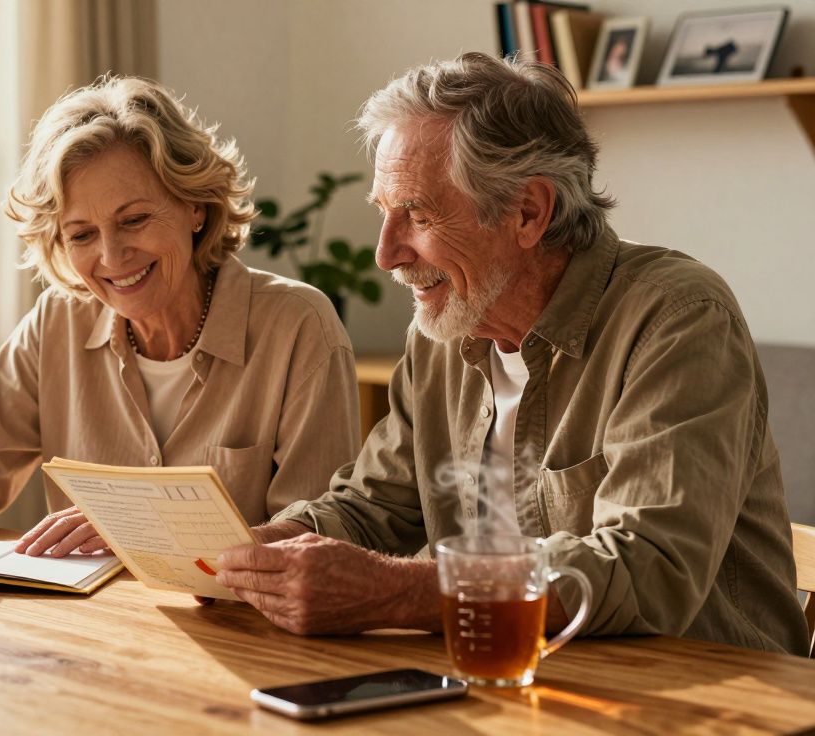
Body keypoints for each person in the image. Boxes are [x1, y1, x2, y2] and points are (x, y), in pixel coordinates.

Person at [214, 52, 809, 656]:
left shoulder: (676, 319)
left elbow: (649, 568)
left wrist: (396, 590)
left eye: (416, 215)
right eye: (383, 214)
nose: (385, 254)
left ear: (529, 212)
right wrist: (261, 548)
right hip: (513, 684)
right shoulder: (443, 329)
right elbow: (376, 505)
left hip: (707, 696)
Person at [0, 77, 361, 558]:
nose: (112, 255)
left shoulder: (299, 326)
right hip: (96, 628)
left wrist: (138, 525)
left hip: (244, 632)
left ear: (195, 208)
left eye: (134, 220)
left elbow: (319, 540)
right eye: (81, 235)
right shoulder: (57, 322)